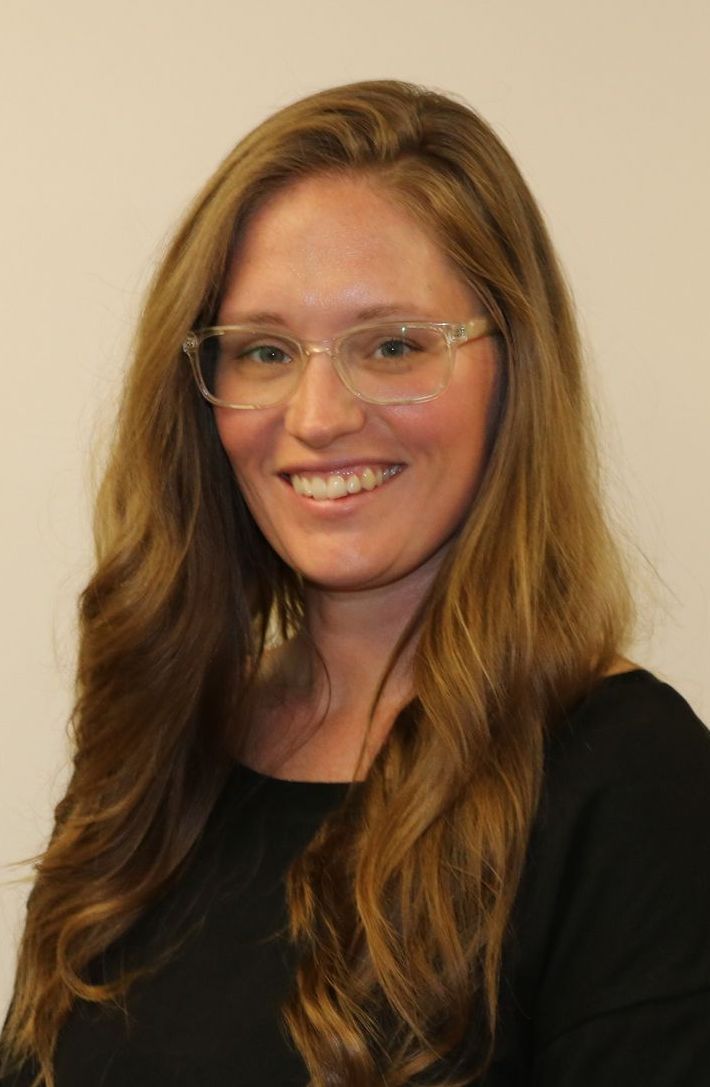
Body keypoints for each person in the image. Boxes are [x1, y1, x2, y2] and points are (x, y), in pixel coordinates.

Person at [1, 79, 709, 1087]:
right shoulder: (156, 742)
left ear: (515, 372)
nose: (319, 415)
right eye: (263, 351)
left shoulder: (631, 782)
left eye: (393, 346)